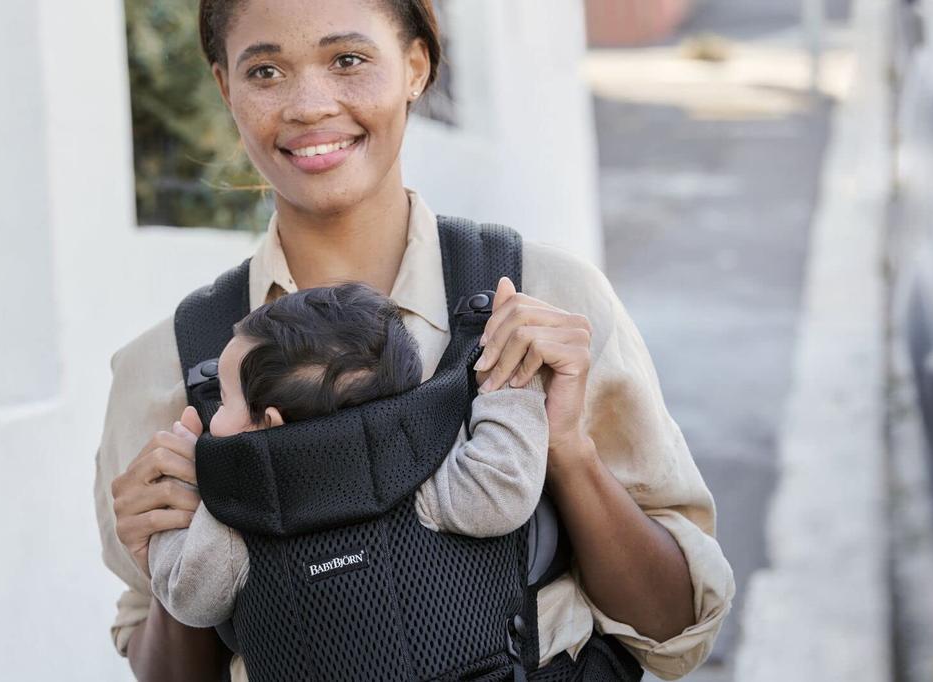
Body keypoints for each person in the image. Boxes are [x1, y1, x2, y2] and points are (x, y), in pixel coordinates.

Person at [94, 1, 736, 680]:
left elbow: (674, 628)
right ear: (226, 87)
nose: (310, 105)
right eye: (265, 71)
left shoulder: (546, 300)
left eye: (348, 60)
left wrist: (569, 452)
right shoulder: (166, 370)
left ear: (415, 65)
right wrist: (164, 550)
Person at [147, 281, 549, 628]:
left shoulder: (238, 517)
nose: (214, 416)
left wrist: (187, 486)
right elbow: (505, 489)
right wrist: (511, 381)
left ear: (267, 423)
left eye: (223, 400)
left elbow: (189, 597)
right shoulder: (423, 476)